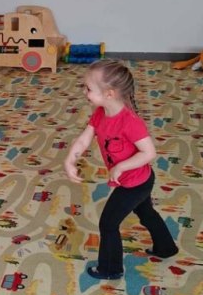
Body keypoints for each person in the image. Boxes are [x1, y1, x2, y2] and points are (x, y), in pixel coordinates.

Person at [64, 59, 178, 279]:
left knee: (108, 224)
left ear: (109, 93)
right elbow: (84, 139)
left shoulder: (130, 122)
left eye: (88, 88)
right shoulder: (100, 113)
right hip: (136, 180)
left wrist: (121, 166)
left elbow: (149, 153)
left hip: (135, 183)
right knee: (146, 213)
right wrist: (70, 159)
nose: (84, 92)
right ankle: (166, 248)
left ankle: (111, 269)